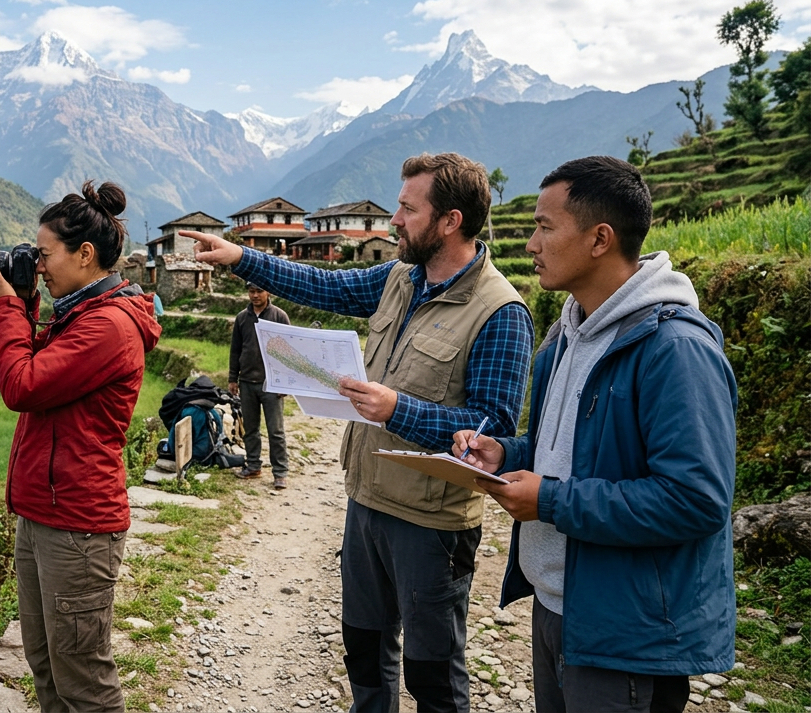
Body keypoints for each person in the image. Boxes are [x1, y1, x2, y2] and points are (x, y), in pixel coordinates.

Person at [181, 152, 534, 713]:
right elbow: (324, 286)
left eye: (406, 208)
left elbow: (490, 431)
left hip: (432, 524)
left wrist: (398, 409)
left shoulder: (500, 312)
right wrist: (242, 258)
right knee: (365, 655)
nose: (394, 220)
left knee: (432, 675)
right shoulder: (400, 278)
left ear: (450, 221)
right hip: (366, 500)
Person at [453, 156, 736, 713]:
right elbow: (574, 450)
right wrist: (506, 452)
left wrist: (551, 501)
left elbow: (696, 500)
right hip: (562, 607)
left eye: (544, 226)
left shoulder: (675, 350)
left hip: (626, 630)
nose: (530, 243)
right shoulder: (568, 335)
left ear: (600, 238)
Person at [0, 180, 162, 713]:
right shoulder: (76, 312)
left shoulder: (107, 326)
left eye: (43, 255)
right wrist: (28, 305)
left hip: (78, 525)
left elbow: (23, 386)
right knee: (45, 665)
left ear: (85, 255)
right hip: (42, 514)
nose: (37, 266)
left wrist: (11, 310)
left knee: (82, 678)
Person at [229, 282, 291, 489]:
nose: (255, 295)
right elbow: (236, 350)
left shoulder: (279, 317)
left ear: (268, 292)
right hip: (247, 382)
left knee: (276, 430)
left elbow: (288, 353)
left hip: (271, 384)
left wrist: (285, 382)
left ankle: (280, 472)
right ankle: (253, 465)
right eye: (251, 291)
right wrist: (232, 378)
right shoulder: (242, 318)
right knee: (251, 429)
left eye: (259, 291)